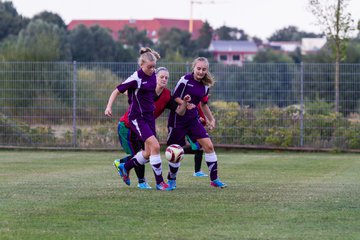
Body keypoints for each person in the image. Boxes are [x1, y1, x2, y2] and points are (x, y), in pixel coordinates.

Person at [105, 47, 172, 191]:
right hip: (137, 118)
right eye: (150, 67)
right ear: (141, 65)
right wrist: (109, 107)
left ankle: (125, 166)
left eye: (154, 67)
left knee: (148, 153)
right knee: (155, 146)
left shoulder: (153, 76)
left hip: (149, 118)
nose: (153, 70)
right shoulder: (136, 78)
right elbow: (117, 91)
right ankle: (160, 183)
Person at [113, 67, 190, 189]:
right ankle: (144, 181)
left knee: (148, 153)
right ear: (155, 77)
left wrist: (185, 103)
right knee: (145, 151)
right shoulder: (145, 88)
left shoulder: (166, 95)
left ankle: (124, 165)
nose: (164, 79)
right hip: (128, 126)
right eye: (161, 77)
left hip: (146, 125)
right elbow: (126, 90)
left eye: (166, 78)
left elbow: (180, 112)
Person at [166, 57, 227, 189]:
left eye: (203, 69)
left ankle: (214, 179)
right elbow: (174, 97)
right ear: (194, 67)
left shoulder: (205, 86)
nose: (200, 71)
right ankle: (171, 179)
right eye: (198, 68)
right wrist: (184, 103)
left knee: (209, 146)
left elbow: (203, 104)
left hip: (193, 120)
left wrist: (211, 119)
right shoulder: (185, 80)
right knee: (176, 151)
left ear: (207, 70)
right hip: (178, 120)